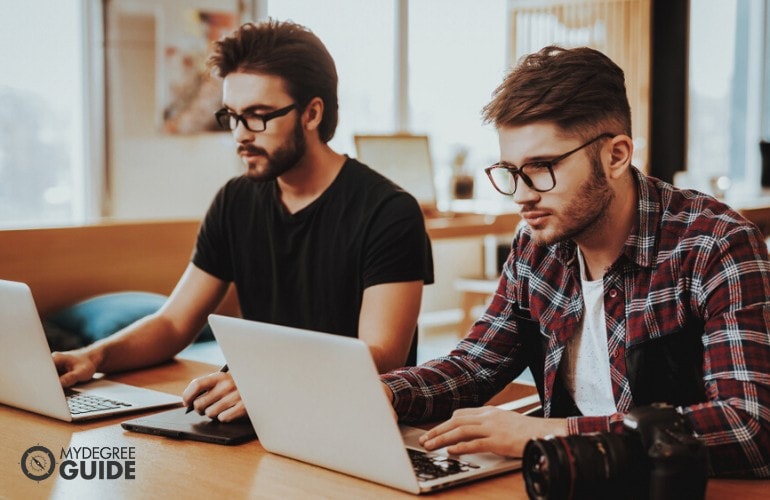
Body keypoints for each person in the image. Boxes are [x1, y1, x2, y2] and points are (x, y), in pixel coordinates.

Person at [381, 45, 770, 478]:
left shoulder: (715, 244)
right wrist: (386, 394)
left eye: (542, 167)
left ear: (616, 156)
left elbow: (748, 426)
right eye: (511, 171)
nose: (523, 194)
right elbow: (476, 364)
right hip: (567, 480)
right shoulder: (537, 244)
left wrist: (548, 433)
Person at [54, 19, 433, 422]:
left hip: (351, 419)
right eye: (232, 116)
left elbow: (379, 356)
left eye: (257, 116)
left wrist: (266, 381)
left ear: (312, 113)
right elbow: (173, 322)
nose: (240, 135)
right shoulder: (235, 201)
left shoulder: (390, 212)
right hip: (263, 416)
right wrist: (92, 356)